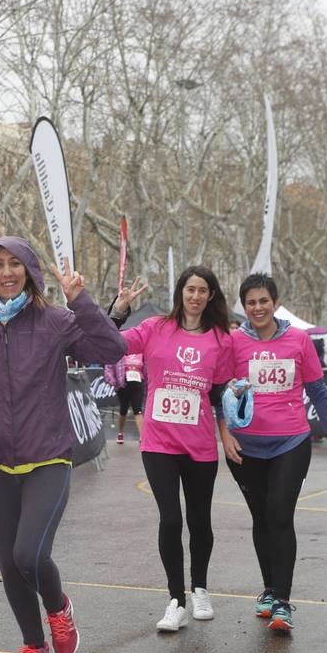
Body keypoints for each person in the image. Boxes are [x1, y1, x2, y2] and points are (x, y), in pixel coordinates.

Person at [0, 235, 125, 653]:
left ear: (31, 271)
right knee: (9, 565)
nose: (6, 272)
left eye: (14, 263)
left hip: (47, 459)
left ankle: (59, 607)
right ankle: (34, 647)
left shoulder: (55, 321)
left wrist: (82, 301)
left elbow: (112, 350)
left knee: (29, 554)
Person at [218, 273, 327, 633]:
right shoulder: (233, 342)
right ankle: (269, 590)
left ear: (275, 302)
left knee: (279, 513)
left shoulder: (298, 340)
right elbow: (218, 391)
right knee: (261, 519)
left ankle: (282, 601)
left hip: (290, 442)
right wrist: (224, 434)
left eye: (264, 300)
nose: (258, 307)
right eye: (251, 302)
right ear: (243, 306)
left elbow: (318, 392)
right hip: (245, 446)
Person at [111, 267, 235, 632]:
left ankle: (200, 589)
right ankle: (175, 600)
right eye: (190, 289)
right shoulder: (154, 328)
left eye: (202, 291)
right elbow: (110, 342)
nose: (195, 296)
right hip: (159, 442)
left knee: (199, 519)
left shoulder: (220, 339)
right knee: (170, 518)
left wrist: (225, 434)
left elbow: (219, 393)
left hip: (199, 444)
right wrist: (118, 310)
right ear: (180, 291)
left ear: (210, 296)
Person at [103, 351, 146, 444]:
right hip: (123, 385)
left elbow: (146, 369)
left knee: (138, 410)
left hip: (138, 385)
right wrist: (112, 380)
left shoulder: (141, 354)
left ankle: (143, 437)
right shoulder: (118, 353)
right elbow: (108, 368)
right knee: (123, 409)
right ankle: (120, 433)